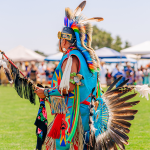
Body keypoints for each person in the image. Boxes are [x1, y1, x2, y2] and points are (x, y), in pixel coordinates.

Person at [34, 1, 139, 150]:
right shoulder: (88, 58)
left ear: (64, 40)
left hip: (72, 113)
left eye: (60, 39)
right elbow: (91, 86)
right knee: (83, 145)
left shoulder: (71, 58)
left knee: (60, 145)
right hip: (89, 110)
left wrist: (44, 92)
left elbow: (69, 87)